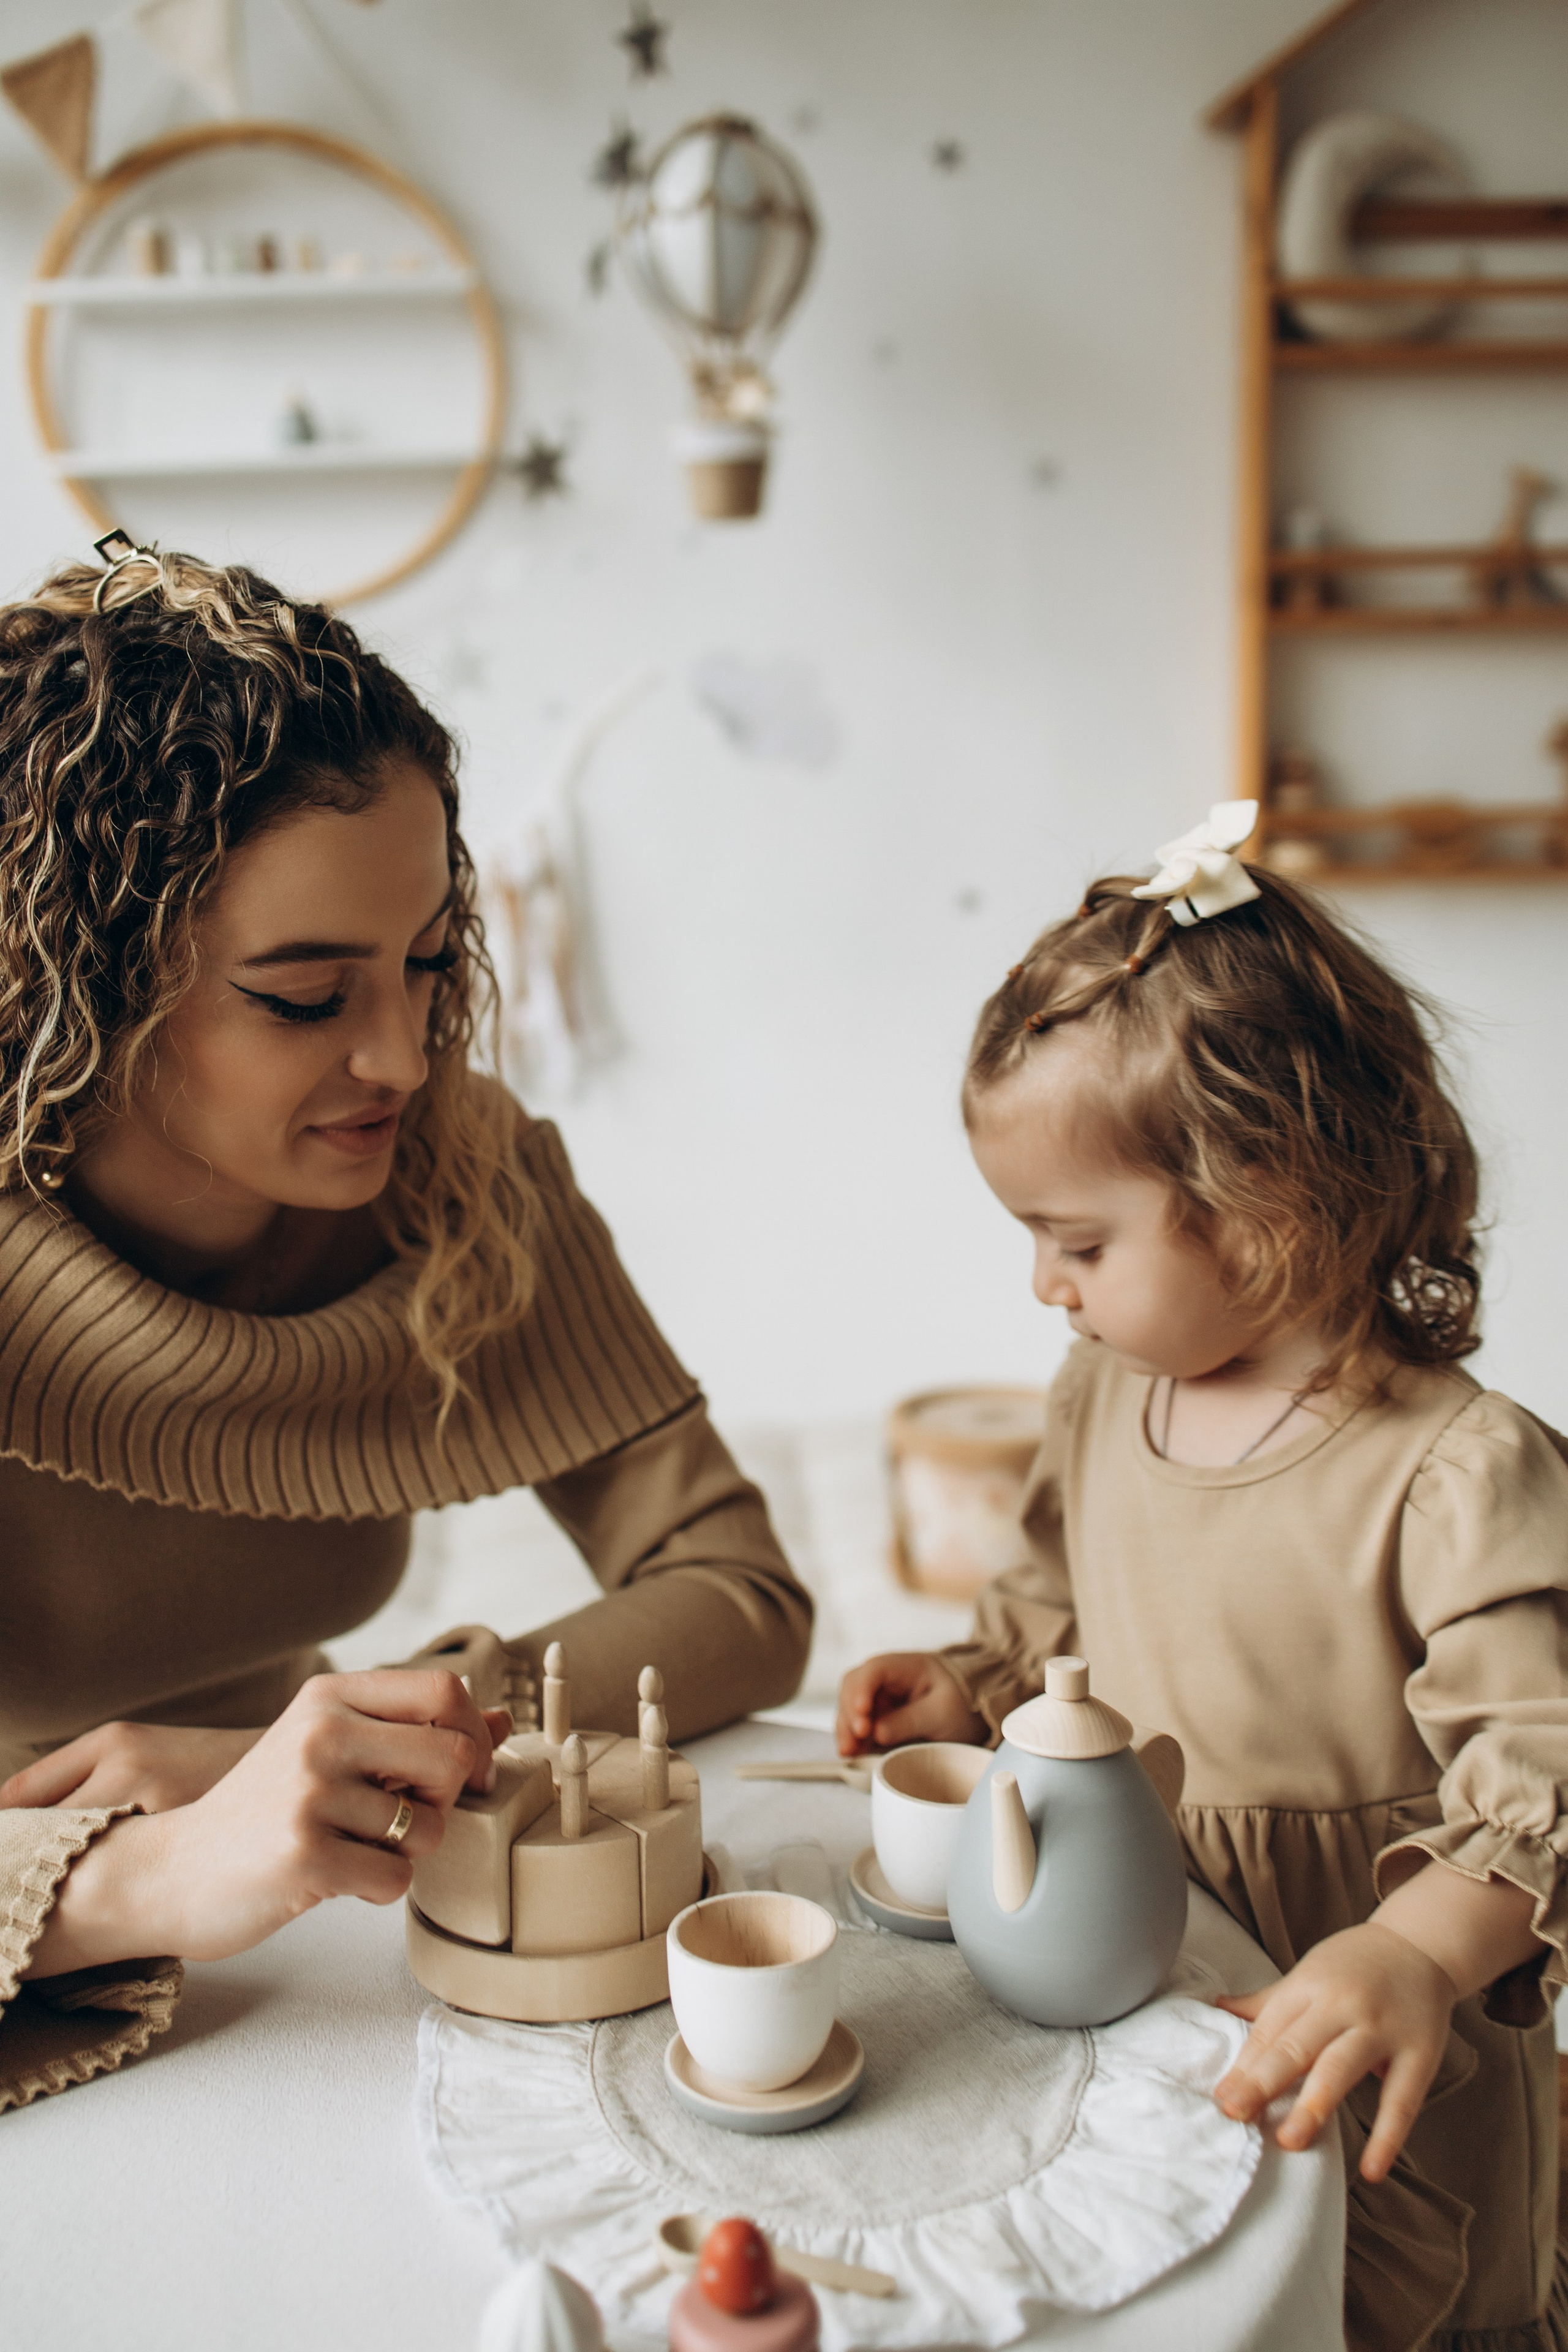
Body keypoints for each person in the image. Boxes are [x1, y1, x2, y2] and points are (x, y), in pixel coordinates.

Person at [0, 543, 810, 2113]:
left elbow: (739, 1593)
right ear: (69, 986)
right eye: (306, 997)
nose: (404, 1054)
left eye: (432, 963)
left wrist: (400, 1732)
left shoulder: (465, 1179)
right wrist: (154, 1866)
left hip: (334, 1920)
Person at [837, 804, 1568, 2352]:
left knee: (1400, 2307)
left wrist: (1410, 1952)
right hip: (1153, 1965)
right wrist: (968, 1682)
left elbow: (1543, 1780)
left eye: (1075, 1241)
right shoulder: (1101, 1392)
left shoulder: (1452, 1471)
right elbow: (1060, 1609)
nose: (1044, 1283)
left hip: (1361, 2007)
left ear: (1261, 1207)